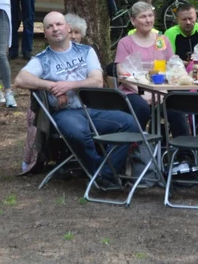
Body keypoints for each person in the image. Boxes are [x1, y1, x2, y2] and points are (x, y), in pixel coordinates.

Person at [14, 12, 134, 177]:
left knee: (129, 123)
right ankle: (103, 175)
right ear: (45, 33)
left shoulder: (85, 51)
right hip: (65, 113)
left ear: (68, 28)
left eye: (58, 24)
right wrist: (51, 86)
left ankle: (105, 172)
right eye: (49, 27)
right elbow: (20, 79)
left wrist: (68, 86)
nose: (55, 29)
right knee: (78, 131)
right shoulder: (43, 59)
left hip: (91, 109)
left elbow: (97, 81)